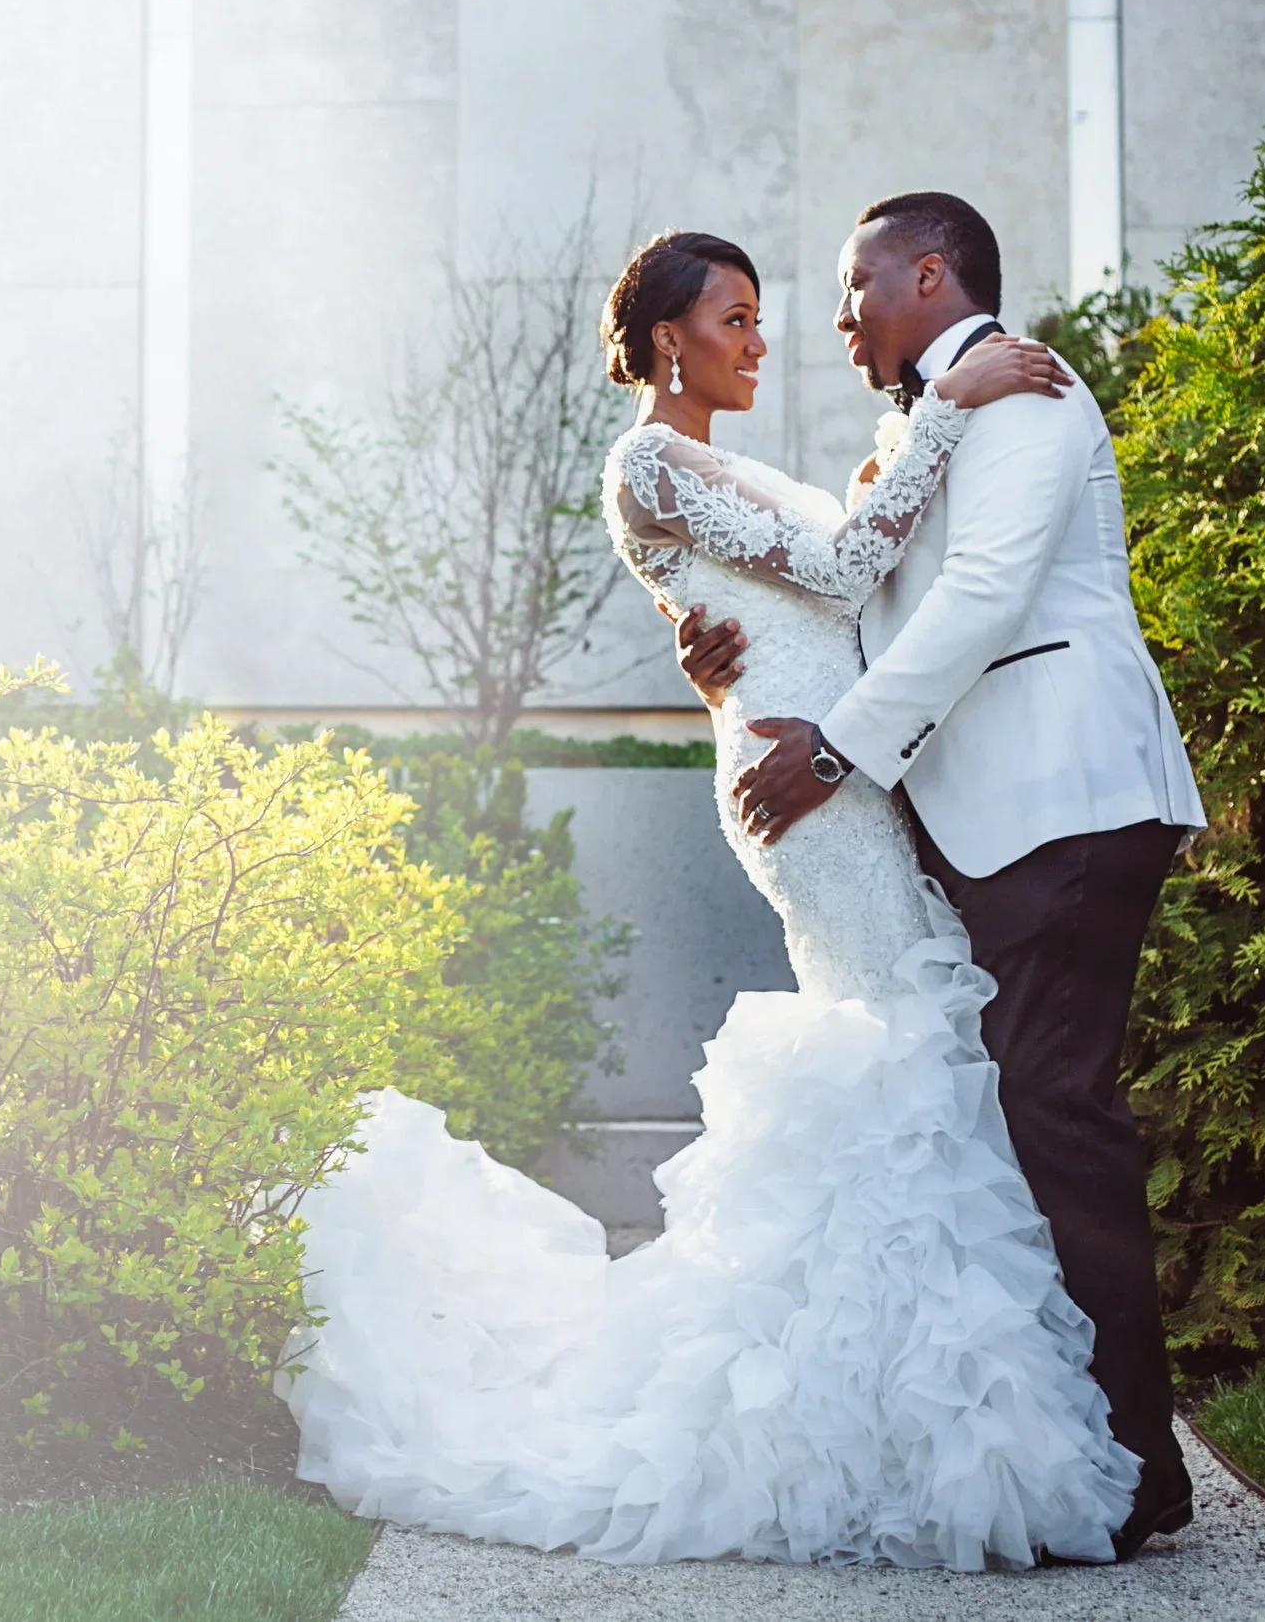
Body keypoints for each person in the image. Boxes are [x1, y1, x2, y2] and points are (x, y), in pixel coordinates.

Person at [278, 226, 1148, 1570]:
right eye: (734, 318)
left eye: (760, 317)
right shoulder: (649, 459)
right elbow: (852, 568)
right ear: (668, 335)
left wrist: (812, 551)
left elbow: (836, 591)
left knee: (919, 1055)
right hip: (808, 793)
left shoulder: (732, 464)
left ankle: (900, 1404)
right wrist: (943, 420)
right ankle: (880, 1414)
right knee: (904, 1050)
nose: (756, 340)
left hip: (843, 765)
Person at [679, 192, 1207, 1558]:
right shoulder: (938, 416)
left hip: (1068, 805)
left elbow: (978, 598)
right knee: (1014, 1115)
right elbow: (864, 596)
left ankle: (1137, 1463)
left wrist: (836, 752)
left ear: (929, 274)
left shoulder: (1022, 395)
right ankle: (1070, 1443)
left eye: (857, 287)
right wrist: (723, 647)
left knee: (1051, 1109)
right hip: (994, 821)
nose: (840, 317)